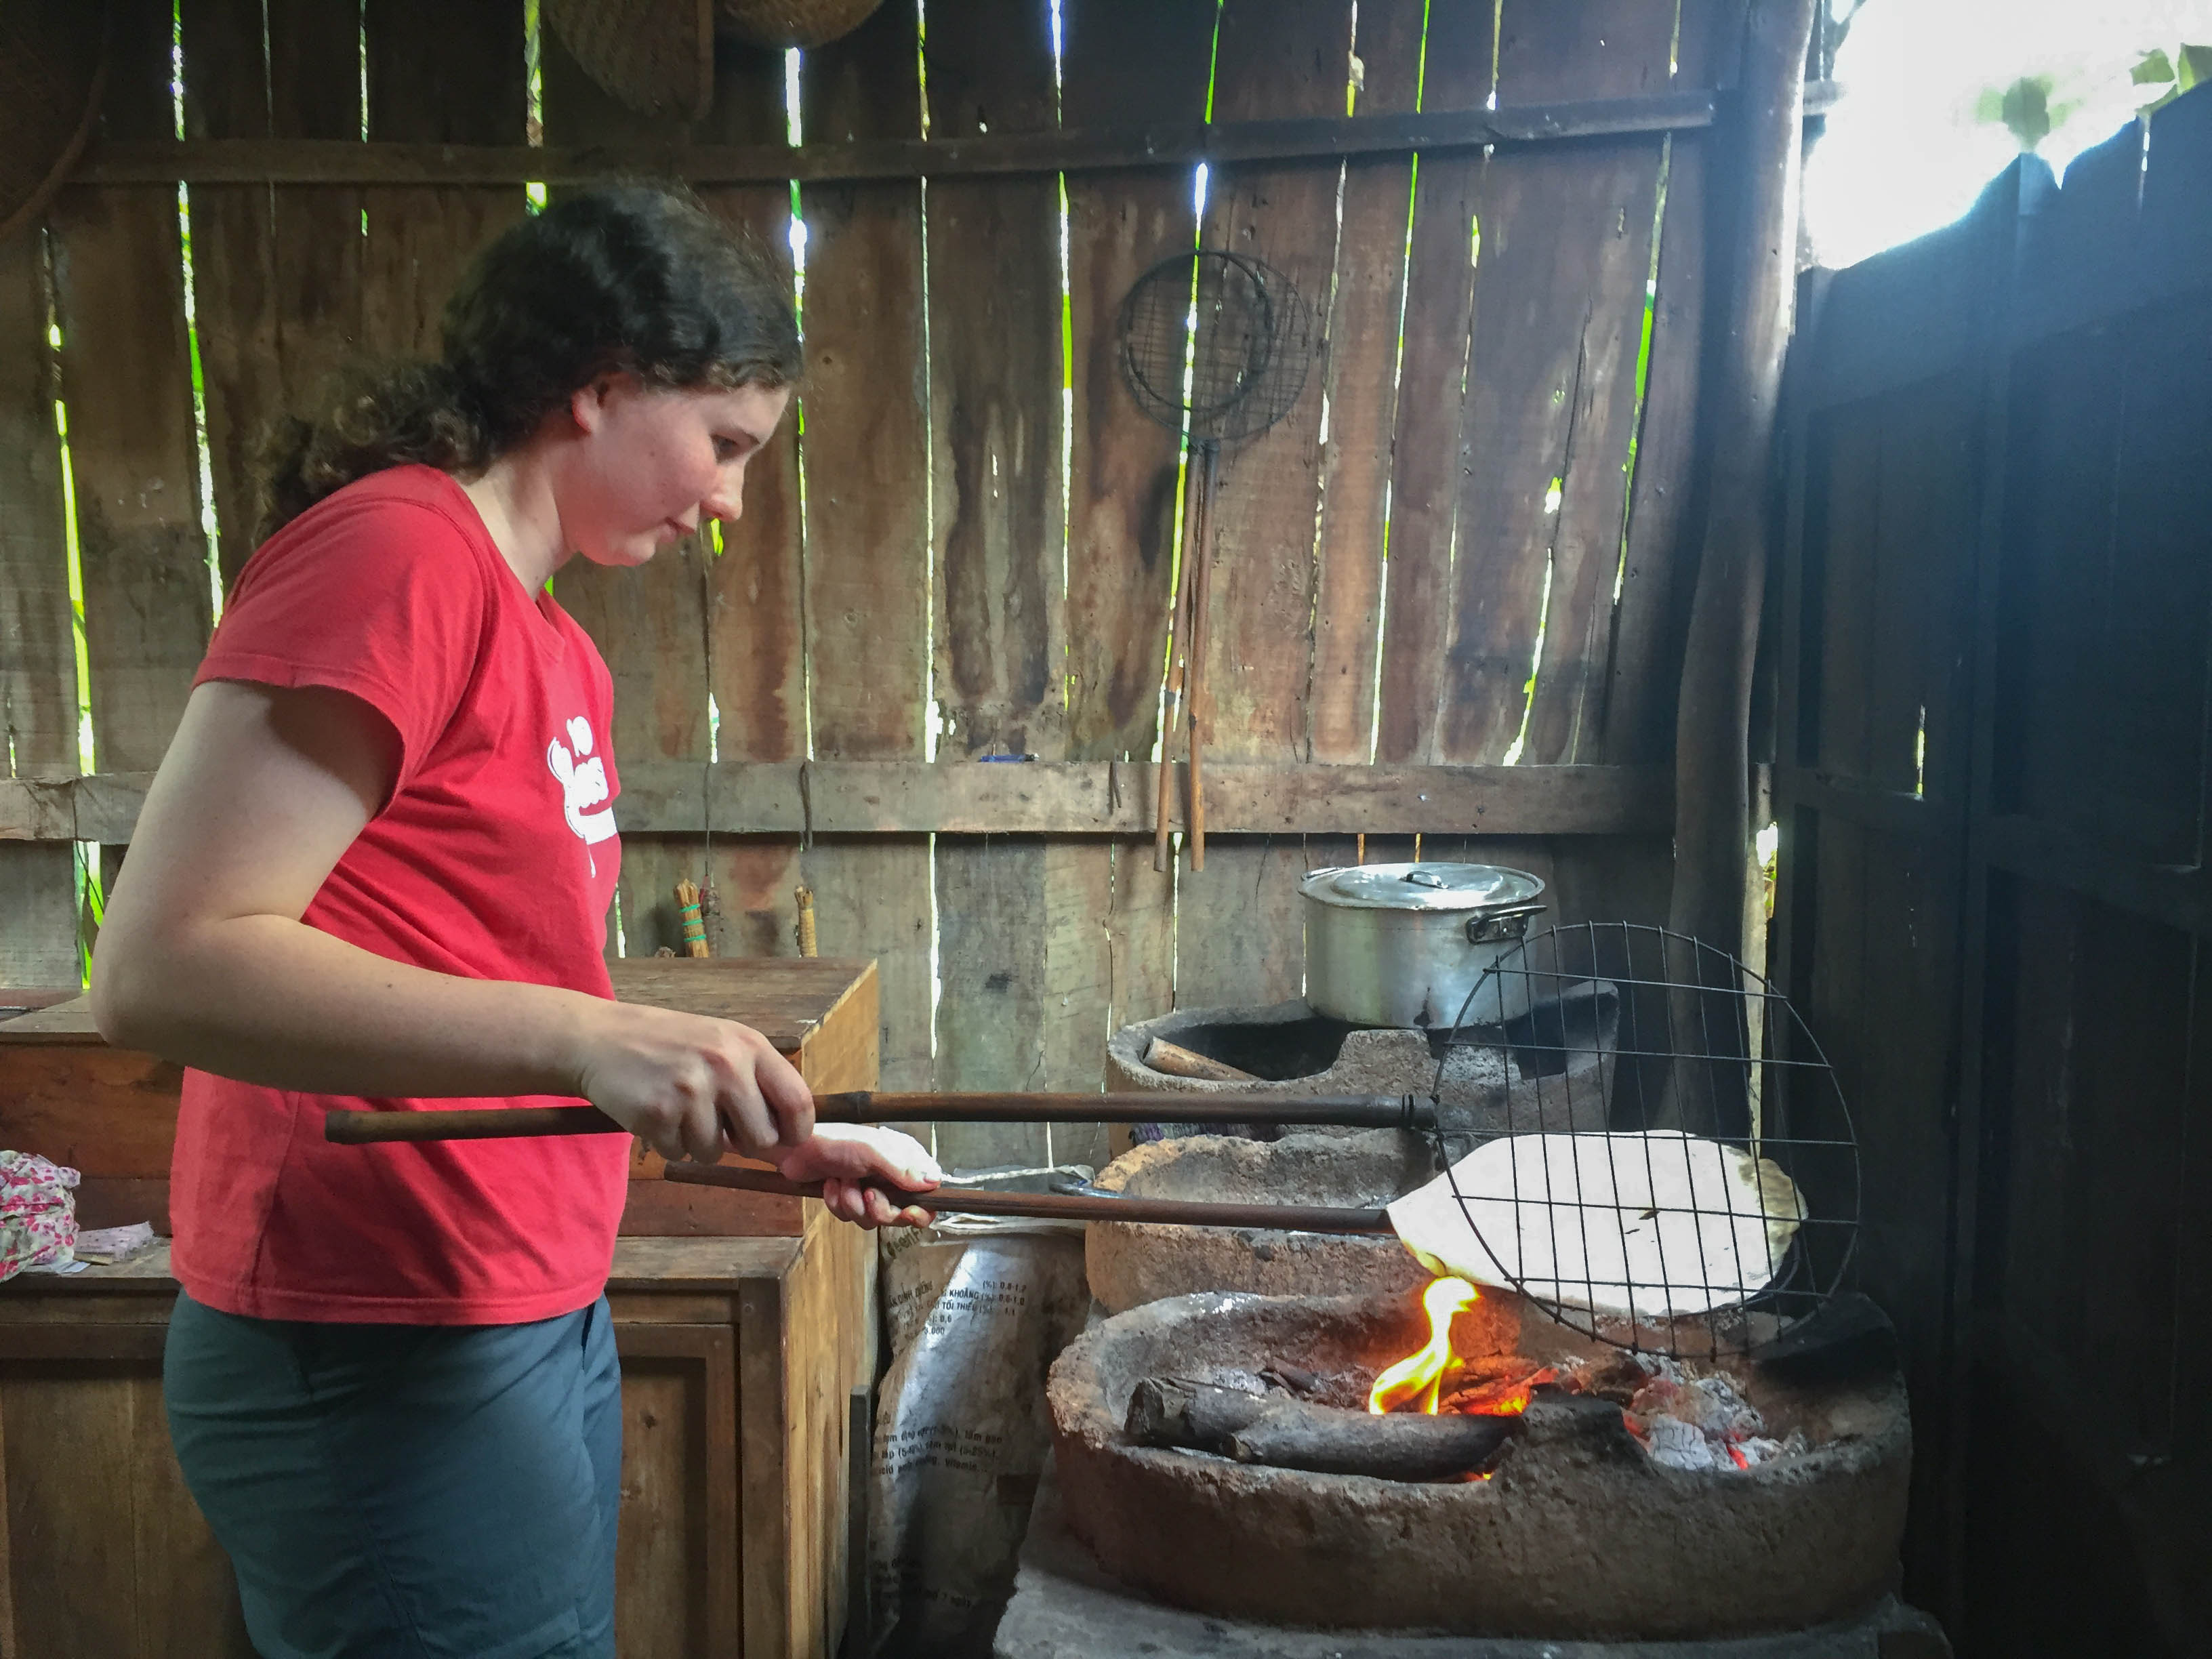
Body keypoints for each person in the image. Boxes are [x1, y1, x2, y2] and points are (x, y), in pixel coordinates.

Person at [88, 182, 940, 1659]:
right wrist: (598, 1030)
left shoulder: (550, 646)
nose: (732, 498)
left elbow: (481, 985)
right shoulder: (397, 557)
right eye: (726, 443)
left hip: (513, 1304)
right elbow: (165, 963)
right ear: (602, 387)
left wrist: (769, 1133)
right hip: (368, 1337)